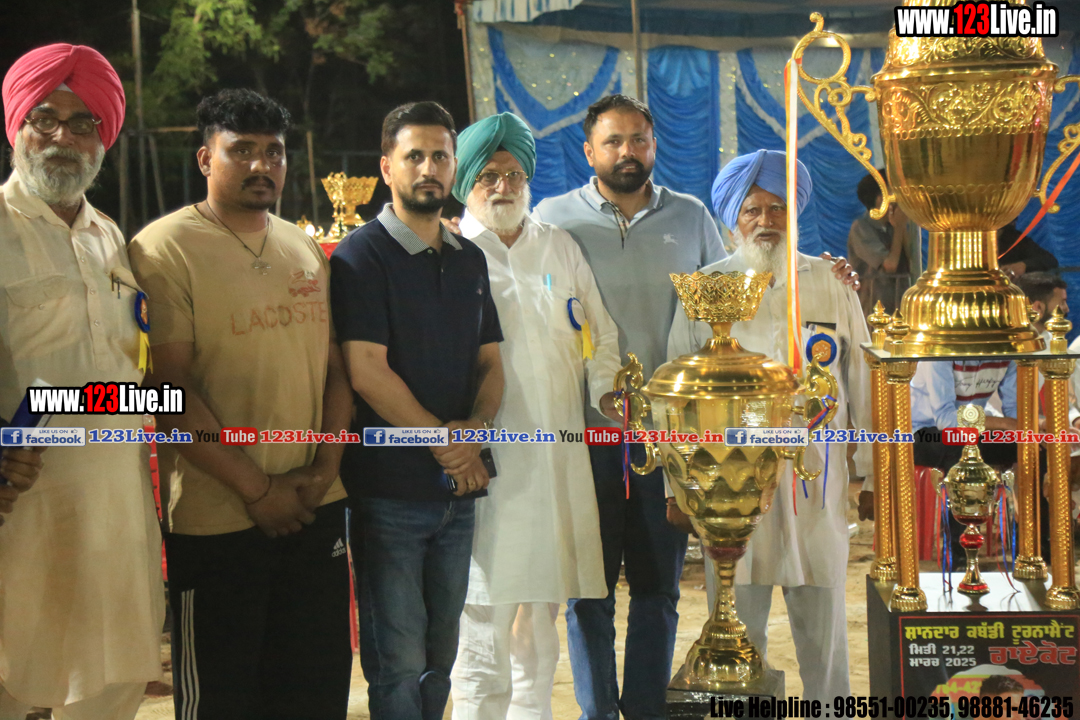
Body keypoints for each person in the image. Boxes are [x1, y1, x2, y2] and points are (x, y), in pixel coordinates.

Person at [533, 95, 860, 718]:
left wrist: (866, 473)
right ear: (589, 150)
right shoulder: (558, 221)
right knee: (606, 597)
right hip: (639, 452)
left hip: (755, 463)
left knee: (679, 596)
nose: (627, 151)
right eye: (613, 141)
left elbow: (856, 382)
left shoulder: (702, 223)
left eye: (638, 139)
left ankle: (656, 708)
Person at [129, 89, 354, 719]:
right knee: (223, 700)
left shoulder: (302, 246)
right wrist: (257, 489)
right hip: (218, 518)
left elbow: (336, 371)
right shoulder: (163, 248)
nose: (262, 165)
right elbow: (167, 390)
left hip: (313, 507)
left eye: (274, 152)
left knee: (315, 691)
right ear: (206, 158)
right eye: (242, 150)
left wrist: (325, 471)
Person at [667, 149, 873, 701]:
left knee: (825, 636)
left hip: (817, 485)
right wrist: (676, 488)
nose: (766, 221)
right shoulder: (706, 287)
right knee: (738, 636)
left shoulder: (831, 282)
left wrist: (872, 473)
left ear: (795, 212)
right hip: (730, 492)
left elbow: (862, 380)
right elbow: (677, 397)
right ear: (732, 217)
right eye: (752, 210)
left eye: (778, 208)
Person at [0, 44, 164, 720]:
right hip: (23, 509)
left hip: (116, 509)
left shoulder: (110, 237)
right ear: (16, 126)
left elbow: (131, 364)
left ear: (104, 137)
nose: (63, 137)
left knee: (110, 683)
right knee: (15, 676)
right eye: (44, 118)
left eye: (83, 122)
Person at [330, 101, 505, 720]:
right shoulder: (360, 256)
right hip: (390, 494)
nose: (429, 168)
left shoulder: (469, 258)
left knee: (440, 656)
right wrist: (447, 444)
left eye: (440, 156)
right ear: (386, 167)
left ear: (454, 167)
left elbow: (491, 364)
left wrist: (475, 433)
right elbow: (366, 371)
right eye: (414, 156)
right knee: (398, 661)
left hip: (458, 493)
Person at [446, 112, 622, 720]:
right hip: (484, 465)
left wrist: (608, 393)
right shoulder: (451, 251)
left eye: (515, 174)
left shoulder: (558, 245)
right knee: (483, 625)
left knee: (543, 617)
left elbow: (601, 334)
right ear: (466, 182)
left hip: (556, 463)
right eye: (489, 175)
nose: (504, 186)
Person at [847, 169, 918, 317]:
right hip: (873, 311)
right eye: (895, 192)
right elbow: (889, 266)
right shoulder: (861, 228)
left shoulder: (893, 227)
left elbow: (913, 263)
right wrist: (899, 227)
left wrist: (901, 226)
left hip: (900, 308)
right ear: (881, 199)